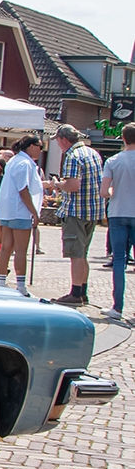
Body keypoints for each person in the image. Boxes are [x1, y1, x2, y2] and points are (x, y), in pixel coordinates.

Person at [51, 124, 104, 306]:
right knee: (83, 253)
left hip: (76, 210)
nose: (58, 144)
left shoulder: (72, 156)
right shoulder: (93, 153)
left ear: (64, 139)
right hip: (93, 210)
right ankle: (82, 291)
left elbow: (73, 185)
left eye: (57, 141)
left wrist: (58, 184)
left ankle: (75, 293)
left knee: (76, 254)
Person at [0, 135, 45, 296]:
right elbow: (23, 189)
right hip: (20, 210)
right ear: (31, 146)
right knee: (20, 250)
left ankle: (2, 282)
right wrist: (34, 211)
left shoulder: (14, 161)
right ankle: (21, 285)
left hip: (8, 209)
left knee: (6, 247)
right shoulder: (24, 163)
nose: (40, 149)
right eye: (39, 146)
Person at [100, 123, 135, 321]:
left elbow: (104, 191)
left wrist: (114, 192)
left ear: (123, 138)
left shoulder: (113, 161)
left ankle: (117, 307)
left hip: (118, 212)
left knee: (119, 260)